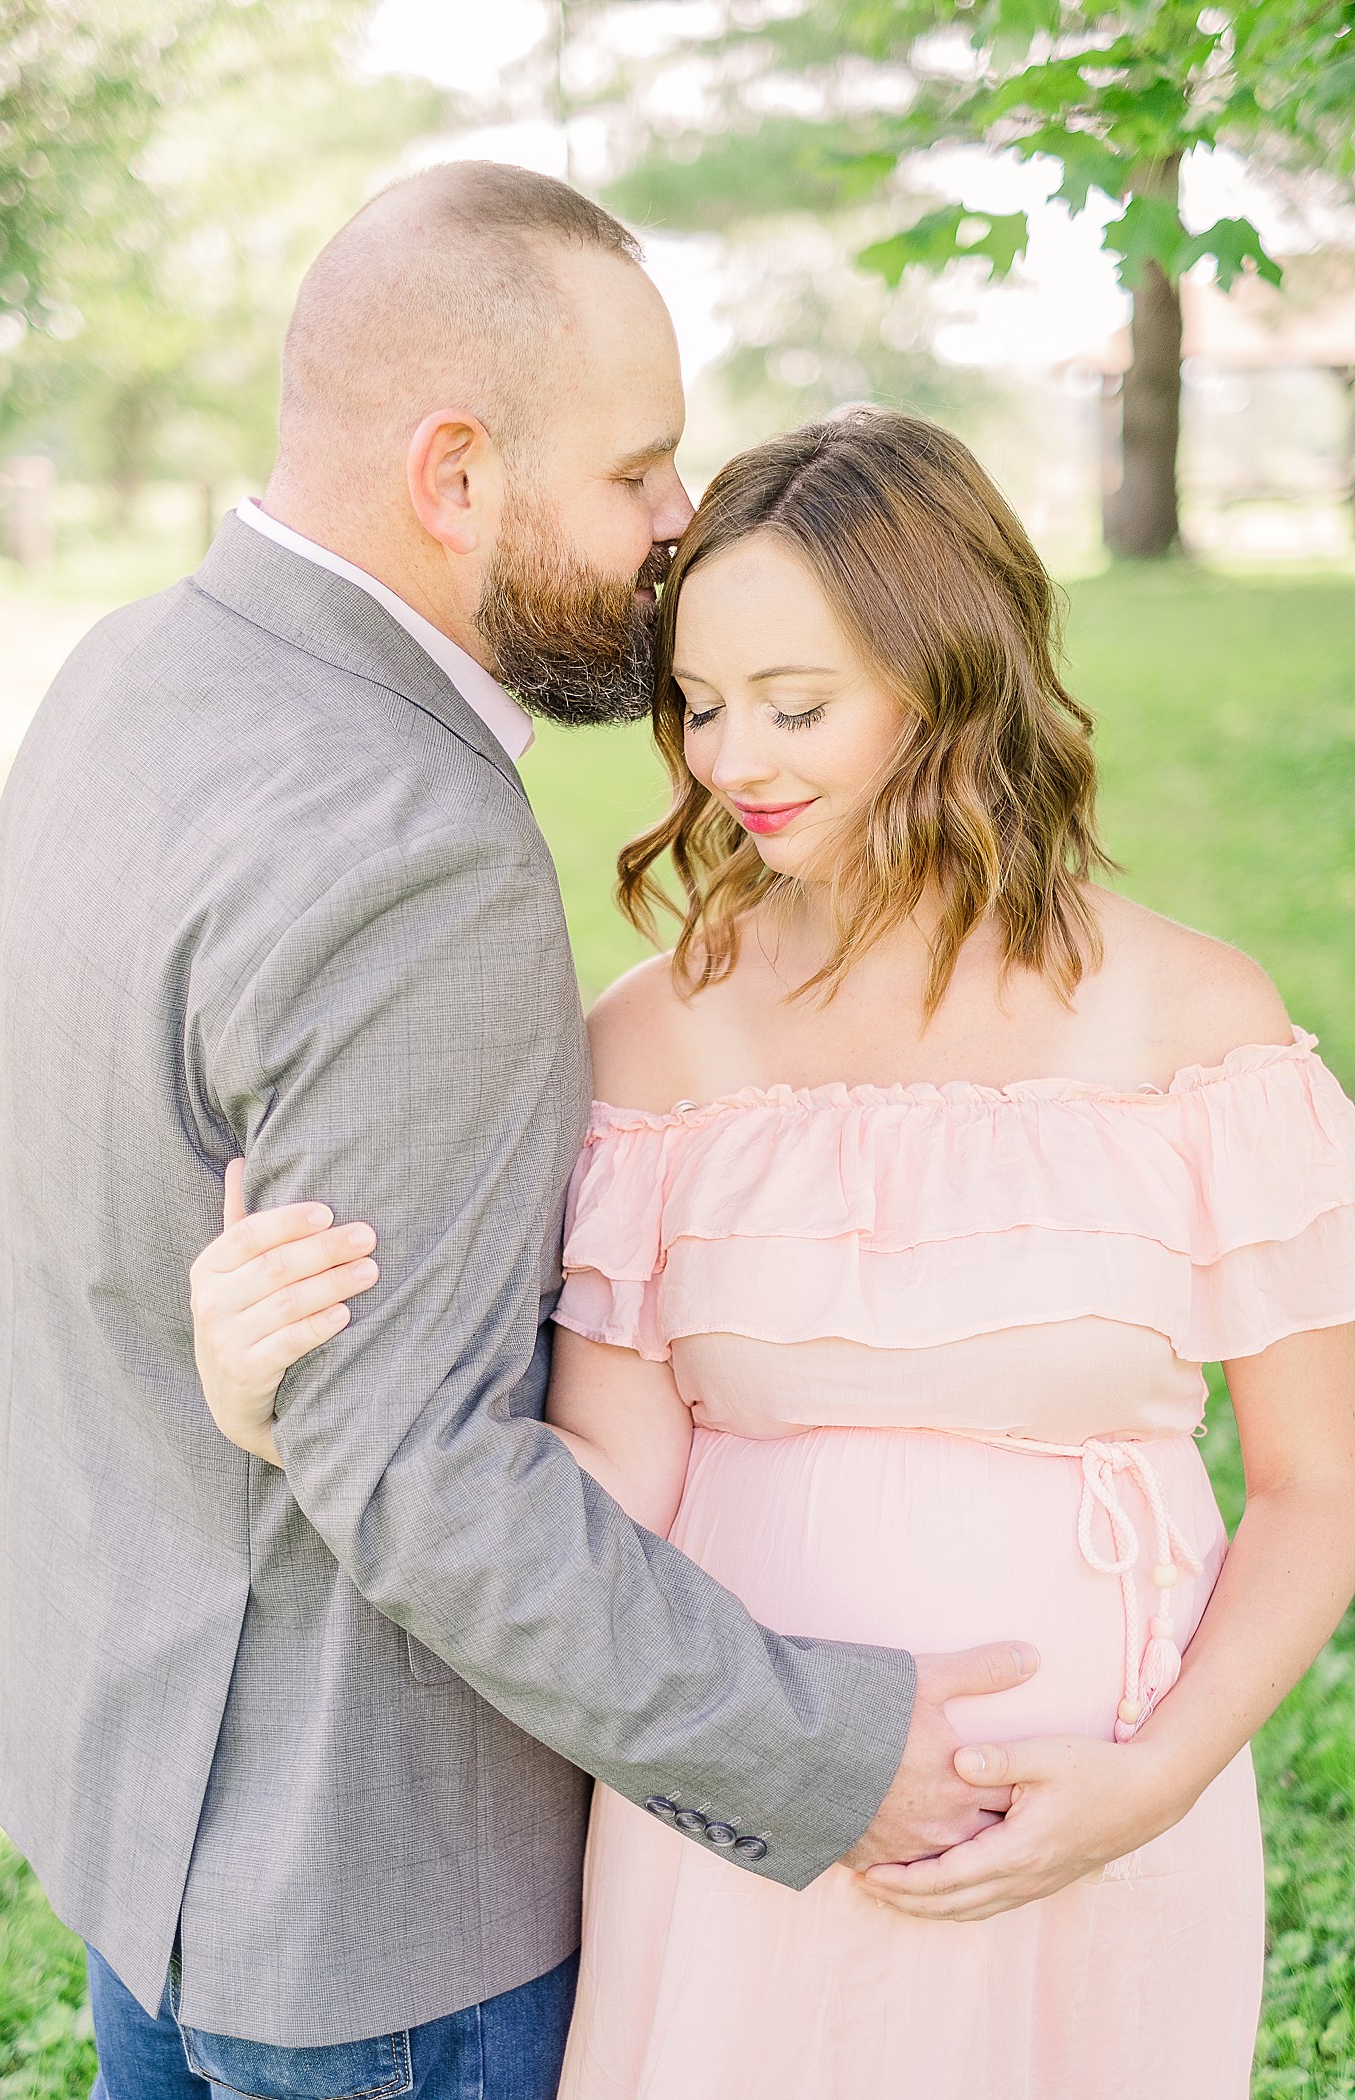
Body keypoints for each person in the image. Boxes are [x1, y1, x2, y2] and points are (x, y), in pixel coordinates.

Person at [0, 170, 1037, 2100]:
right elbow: (425, 1475)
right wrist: (828, 1748)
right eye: (639, 473)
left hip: (136, 1825)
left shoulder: (128, 676)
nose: (674, 528)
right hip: (370, 1911)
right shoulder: (418, 854)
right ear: (453, 474)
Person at [193, 408, 1355, 2100]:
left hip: (1107, 1811)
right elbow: (607, 1479)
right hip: (752, 1829)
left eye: (796, 706)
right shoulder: (657, 1044)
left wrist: (1161, 1776)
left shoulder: (1202, 1025)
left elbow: (1319, 1490)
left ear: (955, 678)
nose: (736, 760)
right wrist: (296, 1406)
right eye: (705, 705)